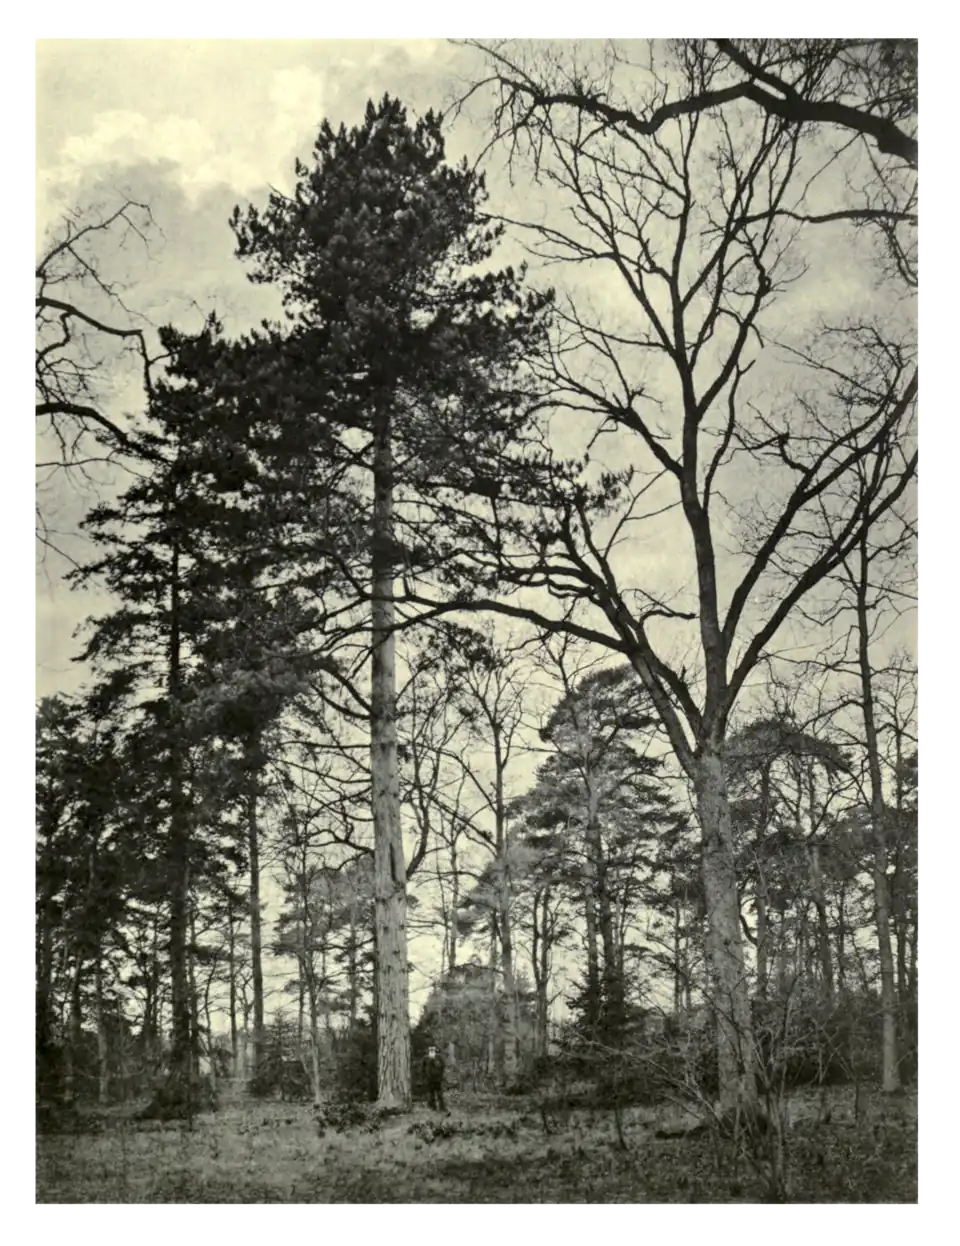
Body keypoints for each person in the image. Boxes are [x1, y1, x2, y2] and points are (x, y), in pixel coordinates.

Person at [423, 1045, 447, 1112]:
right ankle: (433, 1107)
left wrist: (441, 1075)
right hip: (429, 1079)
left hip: (437, 1079)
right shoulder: (426, 1058)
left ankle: (442, 1107)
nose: (432, 1051)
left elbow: (442, 1067)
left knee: (439, 1094)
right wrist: (425, 1077)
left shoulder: (439, 1058)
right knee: (431, 1094)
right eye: (430, 1050)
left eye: (433, 1050)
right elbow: (423, 1068)